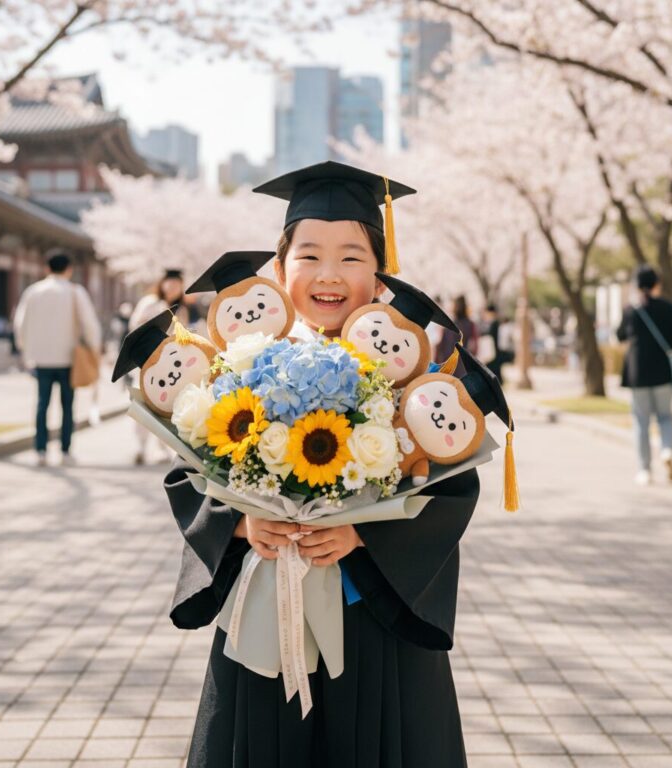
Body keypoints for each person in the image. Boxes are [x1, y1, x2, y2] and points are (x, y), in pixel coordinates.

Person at [164, 161, 481, 767]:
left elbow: (451, 490)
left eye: (351, 257)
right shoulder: (242, 368)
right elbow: (189, 476)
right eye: (308, 255)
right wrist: (241, 523)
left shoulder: (413, 380)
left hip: (375, 625)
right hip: (267, 621)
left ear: (380, 278)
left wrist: (363, 533)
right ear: (280, 270)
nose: (329, 274)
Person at [14, 249, 101, 467]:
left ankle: (40, 450)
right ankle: (65, 450)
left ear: (47, 268)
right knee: (67, 406)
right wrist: (95, 347)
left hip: (41, 358)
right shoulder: (75, 292)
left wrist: (25, 349)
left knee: (42, 404)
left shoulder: (33, 291)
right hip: (69, 358)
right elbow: (89, 324)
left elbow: (20, 323)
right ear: (69, 270)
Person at [616, 265, 672, 485]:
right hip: (663, 374)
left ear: (636, 285)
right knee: (665, 417)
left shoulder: (631, 310)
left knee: (641, 422)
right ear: (656, 284)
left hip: (638, 375)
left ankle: (645, 470)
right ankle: (667, 450)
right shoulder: (669, 308)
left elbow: (620, 335)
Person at [130, 269, 187, 464]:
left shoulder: (181, 309)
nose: (172, 288)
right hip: (147, 360)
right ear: (162, 284)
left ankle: (163, 448)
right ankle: (140, 446)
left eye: (177, 285)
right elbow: (134, 326)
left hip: (171, 365)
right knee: (143, 404)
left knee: (165, 406)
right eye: (170, 284)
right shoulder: (149, 303)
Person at [435, 294, 478, 375]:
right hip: (464, 365)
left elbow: (440, 347)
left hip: (448, 365)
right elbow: (475, 347)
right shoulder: (470, 324)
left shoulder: (449, 325)